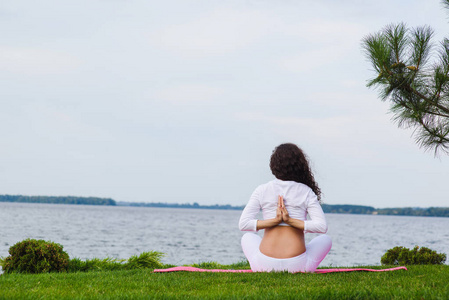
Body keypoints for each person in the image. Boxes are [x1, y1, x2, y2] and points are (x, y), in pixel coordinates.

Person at [239, 143, 332, 273]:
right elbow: (322, 227)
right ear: (300, 166)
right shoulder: (306, 191)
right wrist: (289, 221)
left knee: (248, 237)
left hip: (263, 265)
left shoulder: (262, 190)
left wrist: (275, 221)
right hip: (299, 266)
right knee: (325, 239)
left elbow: (243, 224)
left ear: (273, 166)